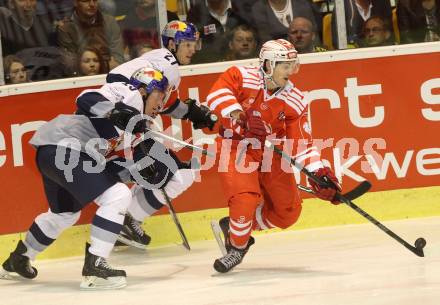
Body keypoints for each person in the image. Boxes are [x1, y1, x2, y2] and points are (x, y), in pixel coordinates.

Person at [0, 66, 170, 289]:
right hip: (65, 147)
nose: (162, 103)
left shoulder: (136, 127)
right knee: (117, 196)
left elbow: (107, 170)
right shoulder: (131, 93)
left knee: (65, 214)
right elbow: (86, 98)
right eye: (160, 94)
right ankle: (95, 266)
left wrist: (138, 170)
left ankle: (19, 259)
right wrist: (113, 111)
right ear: (145, 89)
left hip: (54, 152)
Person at [207, 39, 342, 273]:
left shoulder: (295, 100)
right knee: (245, 198)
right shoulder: (241, 75)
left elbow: (301, 144)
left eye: (293, 65)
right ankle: (237, 246)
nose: (291, 71)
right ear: (268, 65)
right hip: (236, 147)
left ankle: (237, 225)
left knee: (288, 212)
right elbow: (215, 96)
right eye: (285, 65)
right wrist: (241, 117)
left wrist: (319, 173)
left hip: (271, 154)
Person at [104, 20, 217, 249]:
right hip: (124, 129)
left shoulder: (162, 61)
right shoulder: (168, 64)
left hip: (128, 126)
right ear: (173, 44)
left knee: (170, 171)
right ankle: (127, 220)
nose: (193, 49)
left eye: (195, 44)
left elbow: (163, 102)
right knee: (177, 173)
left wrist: (191, 112)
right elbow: (120, 82)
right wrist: (132, 115)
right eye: (188, 44)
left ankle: (126, 220)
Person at [57, 0, 125, 70]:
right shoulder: (66, 28)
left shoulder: (110, 22)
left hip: (111, 74)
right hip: (84, 77)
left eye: (95, 0)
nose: (92, 4)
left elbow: (118, 58)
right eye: (86, 1)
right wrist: (106, 65)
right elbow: (71, 64)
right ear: (75, 3)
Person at [251, 0, 320, 44]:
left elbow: (314, 33)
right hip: (277, 54)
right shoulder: (258, 8)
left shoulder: (302, 3)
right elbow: (266, 40)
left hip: (306, 51)